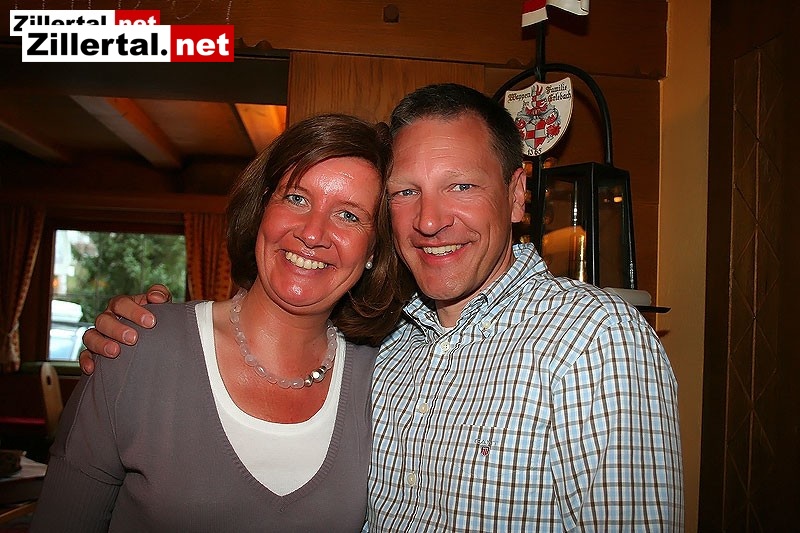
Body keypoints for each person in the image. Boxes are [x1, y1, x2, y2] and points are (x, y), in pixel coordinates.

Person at [80, 83, 685, 531]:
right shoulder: (387, 350)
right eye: (406, 192)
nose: (430, 219)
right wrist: (141, 338)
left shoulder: (596, 342)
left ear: (517, 194)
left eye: (462, 186)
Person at [32, 114, 413, 532]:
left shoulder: (381, 379)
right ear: (263, 208)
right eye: (296, 198)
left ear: (374, 250)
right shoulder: (136, 346)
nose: (312, 233)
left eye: (349, 216)